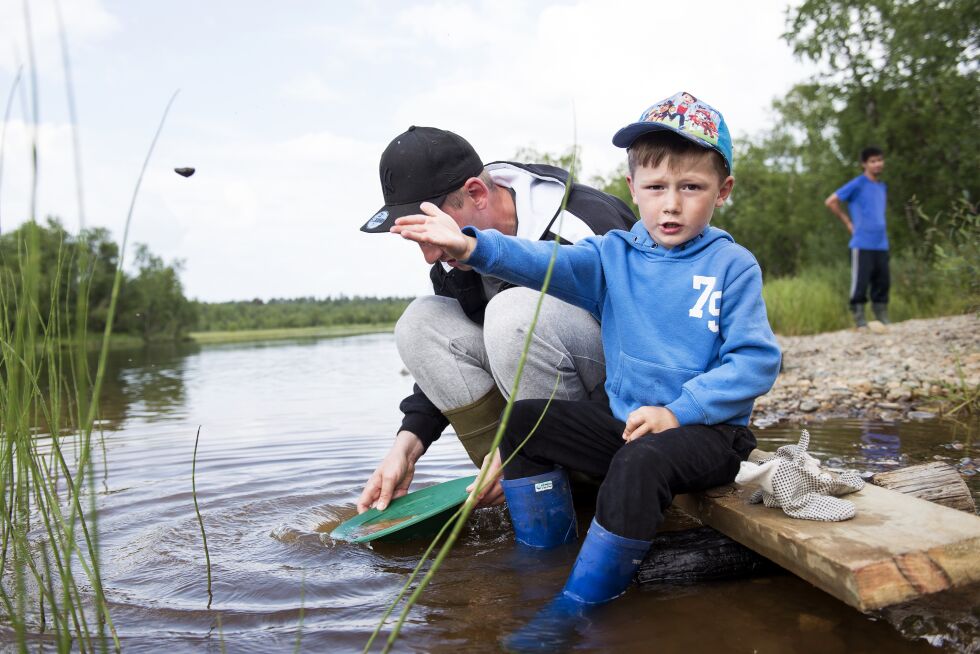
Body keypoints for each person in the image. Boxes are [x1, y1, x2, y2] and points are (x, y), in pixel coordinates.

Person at [392, 91, 782, 624]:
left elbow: (755, 361)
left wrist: (679, 411)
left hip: (706, 434)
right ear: (633, 189)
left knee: (640, 461)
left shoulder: (733, 265)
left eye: (691, 188)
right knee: (525, 424)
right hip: (623, 426)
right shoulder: (610, 254)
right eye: (656, 188)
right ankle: (542, 561)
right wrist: (471, 247)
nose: (671, 204)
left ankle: (576, 606)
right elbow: (538, 260)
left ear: (723, 190)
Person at [356, 126, 635, 514]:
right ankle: (522, 489)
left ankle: (577, 481)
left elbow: (651, 340)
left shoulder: (582, 222)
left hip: (622, 415)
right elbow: (447, 356)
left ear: (477, 193)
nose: (429, 256)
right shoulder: (450, 260)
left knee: (514, 312)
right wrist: (406, 445)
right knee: (420, 322)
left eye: (430, 232)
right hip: (532, 411)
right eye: (418, 239)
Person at [824, 147, 890, 328]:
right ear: (864, 164)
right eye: (872, 161)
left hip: (881, 242)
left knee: (883, 280)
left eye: (879, 160)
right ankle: (859, 316)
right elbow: (831, 201)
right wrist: (847, 222)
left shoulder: (881, 186)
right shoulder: (858, 184)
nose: (877, 164)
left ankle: (881, 314)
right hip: (862, 242)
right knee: (861, 281)